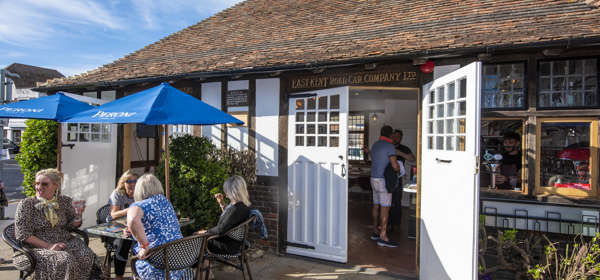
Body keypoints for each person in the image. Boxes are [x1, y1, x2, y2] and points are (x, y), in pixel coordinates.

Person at [13, 168, 97, 280]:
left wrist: (78, 214)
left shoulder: (64, 201)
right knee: (64, 260)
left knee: (86, 255)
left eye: (44, 184)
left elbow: (71, 225)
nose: (39, 187)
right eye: (37, 183)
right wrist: (49, 246)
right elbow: (22, 234)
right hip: (35, 247)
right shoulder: (26, 204)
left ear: (55, 185)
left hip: (64, 241)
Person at [126, 174, 189, 279]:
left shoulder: (139, 205)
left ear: (139, 190)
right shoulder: (165, 201)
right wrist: (133, 230)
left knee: (135, 260)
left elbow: (132, 220)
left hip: (157, 265)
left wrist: (145, 246)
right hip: (178, 264)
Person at [195, 175, 251, 253]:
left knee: (196, 239)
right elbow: (230, 219)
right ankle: (205, 263)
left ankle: (200, 263)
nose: (225, 192)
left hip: (227, 246)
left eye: (226, 190)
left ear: (232, 191)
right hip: (234, 243)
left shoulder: (236, 209)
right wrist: (222, 203)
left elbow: (220, 229)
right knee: (199, 237)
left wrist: (205, 232)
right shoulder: (242, 206)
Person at [369, 125, 400, 247]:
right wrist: (398, 170)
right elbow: (394, 165)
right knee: (385, 208)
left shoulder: (375, 144)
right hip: (383, 180)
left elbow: (373, 159)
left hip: (373, 178)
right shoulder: (389, 146)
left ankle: (375, 231)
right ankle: (383, 236)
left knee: (376, 205)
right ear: (390, 134)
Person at [107, 170, 138, 280]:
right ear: (123, 183)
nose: (133, 184)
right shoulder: (117, 194)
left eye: (135, 181)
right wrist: (130, 209)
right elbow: (114, 214)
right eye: (129, 181)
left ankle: (138, 273)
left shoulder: (139, 193)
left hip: (132, 225)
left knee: (141, 239)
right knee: (125, 240)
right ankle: (119, 275)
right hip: (115, 226)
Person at [388, 129, 416, 231]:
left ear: (401, 138)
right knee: (387, 201)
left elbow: (413, 159)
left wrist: (400, 153)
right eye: (394, 136)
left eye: (398, 137)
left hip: (397, 178)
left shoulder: (404, 148)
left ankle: (396, 224)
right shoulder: (387, 146)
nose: (396, 138)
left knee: (397, 201)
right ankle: (387, 223)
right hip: (386, 177)